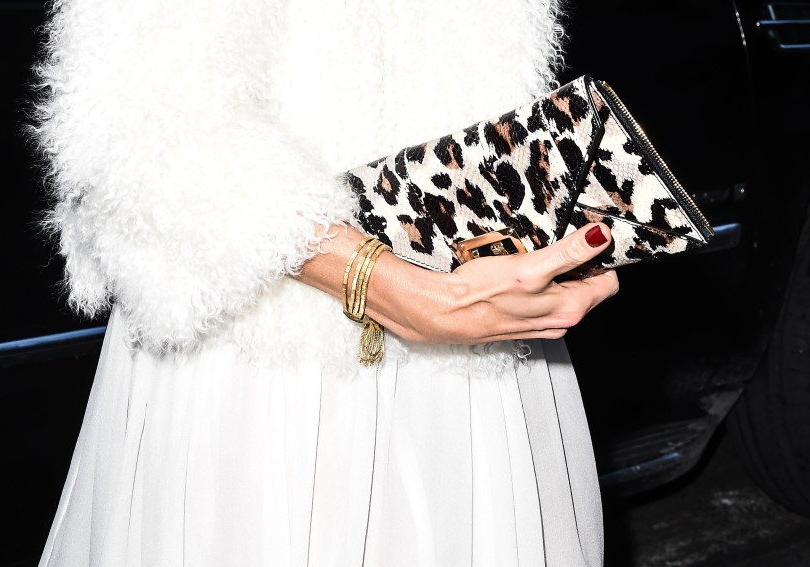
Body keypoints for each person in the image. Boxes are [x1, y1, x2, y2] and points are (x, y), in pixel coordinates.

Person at [33, 0, 619, 565]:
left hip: (473, 345)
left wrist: (551, 237)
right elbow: (141, 129)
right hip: (263, 348)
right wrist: (379, 279)